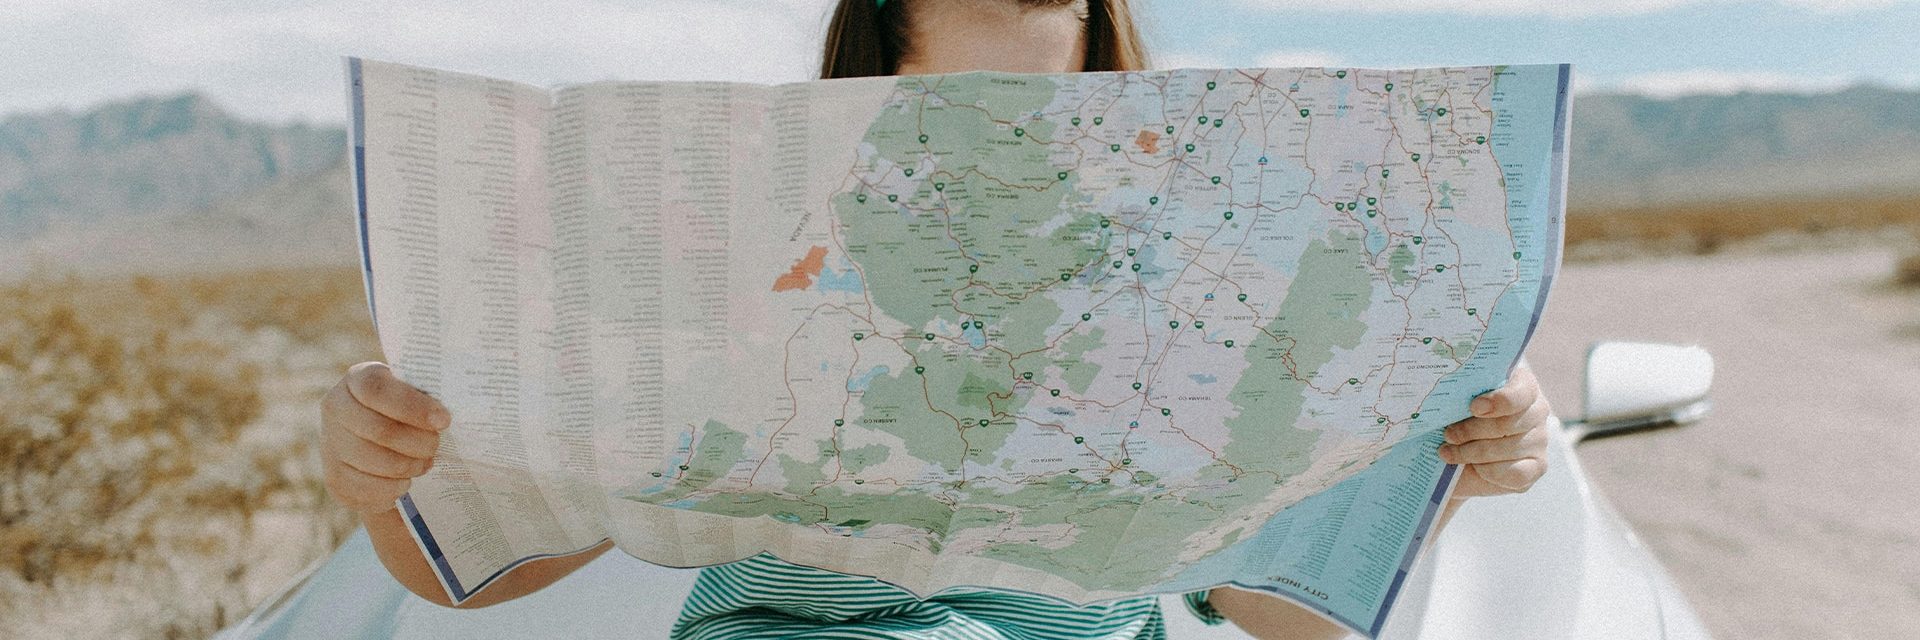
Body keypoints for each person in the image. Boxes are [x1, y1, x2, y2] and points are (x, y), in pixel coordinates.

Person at [317, 1, 1556, 638]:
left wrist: (1440, 465)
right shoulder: (738, 258)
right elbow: (478, 572)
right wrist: (389, 477)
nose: (986, 176)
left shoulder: (1200, 296)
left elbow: (1280, 615)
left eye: (1037, 134)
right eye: (939, 130)